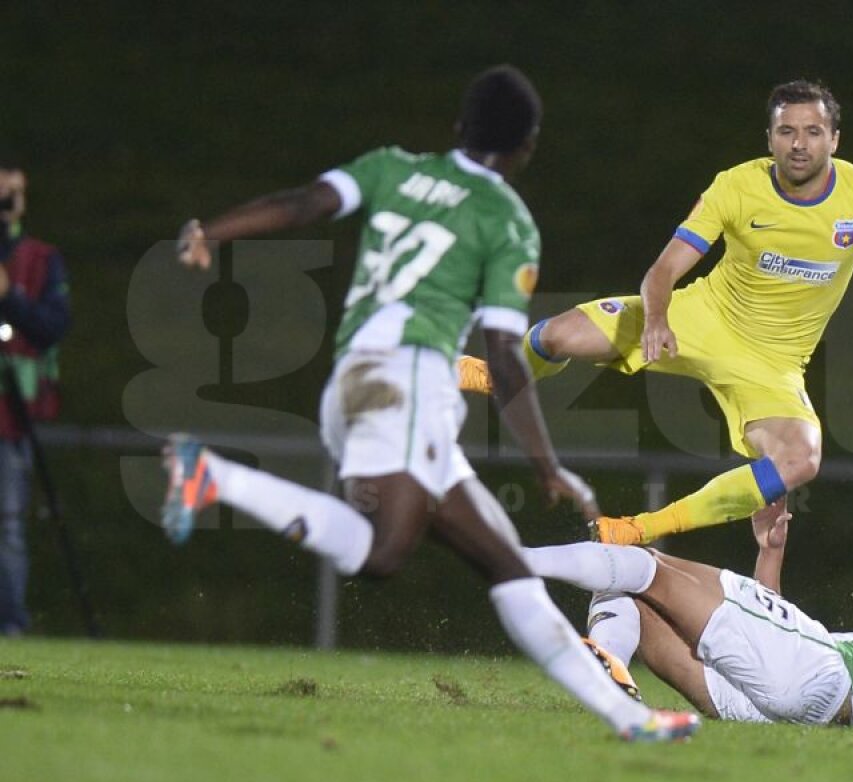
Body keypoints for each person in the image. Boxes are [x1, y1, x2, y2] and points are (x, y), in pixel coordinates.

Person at [166, 65, 698, 742]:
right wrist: (545, 464)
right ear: (526, 147)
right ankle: (215, 475)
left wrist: (213, 232)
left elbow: (305, 204)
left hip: (356, 382)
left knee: (506, 565)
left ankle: (631, 719)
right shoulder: (506, 221)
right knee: (383, 554)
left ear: (458, 127)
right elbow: (504, 358)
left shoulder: (390, 168)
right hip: (408, 387)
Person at [458, 79, 853, 545]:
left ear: (834, 139)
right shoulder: (736, 186)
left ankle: (639, 529)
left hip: (772, 364)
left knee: (801, 457)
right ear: (768, 139)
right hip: (701, 318)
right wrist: (656, 320)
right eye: (785, 131)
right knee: (558, 335)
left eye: (813, 131)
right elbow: (662, 271)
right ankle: (498, 377)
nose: (798, 143)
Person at [521, 483, 853, 728]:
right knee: (633, 596)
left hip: (824, 674)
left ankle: (507, 558)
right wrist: (770, 553)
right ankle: (612, 679)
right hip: (785, 707)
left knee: (641, 564)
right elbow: (766, 649)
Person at [0, 161, 71, 636]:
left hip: (10, 416)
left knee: (7, 526)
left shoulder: (41, 259)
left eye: (15, 195)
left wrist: (11, 298)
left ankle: (10, 626)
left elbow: (52, 328)